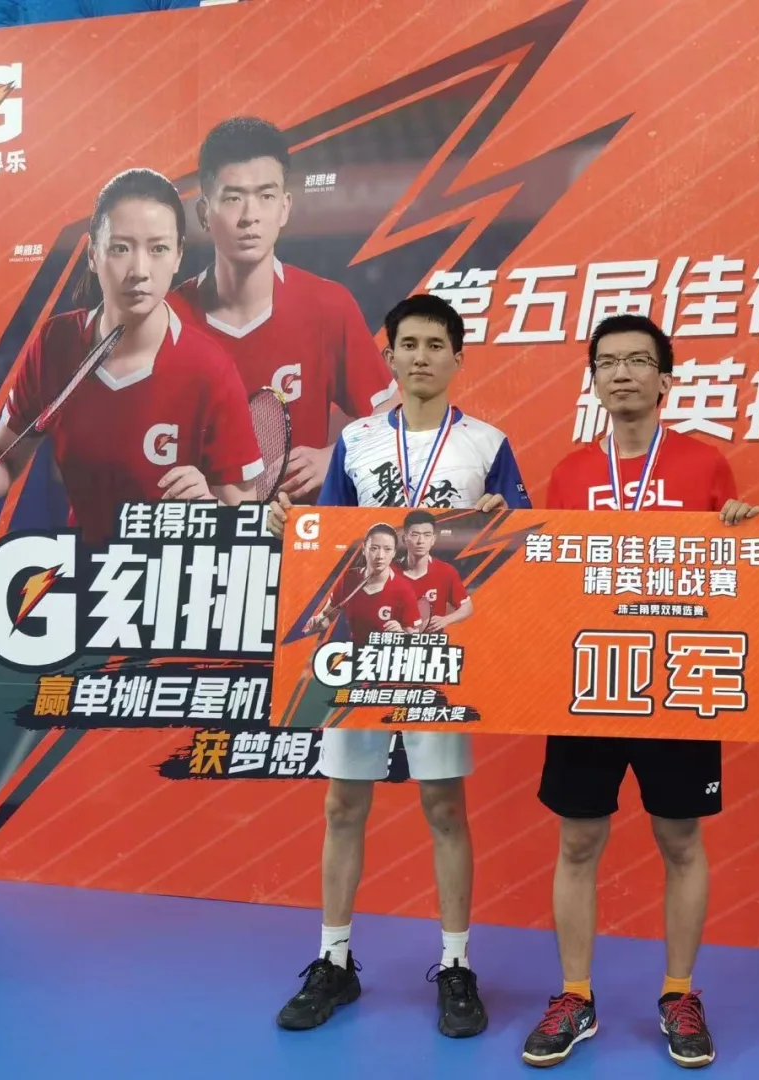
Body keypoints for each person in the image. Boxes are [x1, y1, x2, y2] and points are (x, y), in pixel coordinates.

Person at [266, 292, 531, 1038]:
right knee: (342, 807)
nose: (420, 356)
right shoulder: (355, 442)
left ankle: (456, 965)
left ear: (457, 358)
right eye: (407, 344)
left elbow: (519, 544)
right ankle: (334, 961)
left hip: (439, 657)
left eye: (435, 345)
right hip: (357, 652)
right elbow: (325, 542)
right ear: (388, 357)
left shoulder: (488, 443)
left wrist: (502, 524)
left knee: (444, 808)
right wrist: (292, 526)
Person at [521, 314, 759, 1070]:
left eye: (637, 361)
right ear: (593, 379)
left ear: (665, 378)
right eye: (607, 362)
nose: (621, 373)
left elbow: (731, 579)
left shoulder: (705, 464)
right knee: (577, 840)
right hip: (591, 681)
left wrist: (740, 530)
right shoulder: (570, 473)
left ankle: (679, 994)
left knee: (680, 840)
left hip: (677, 681)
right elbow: (548, 581)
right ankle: (575, 996)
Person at [0, 168, 263, 544]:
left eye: (158, 249)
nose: (139, 271)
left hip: (174, 569)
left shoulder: (210, 369)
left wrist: (208, 507)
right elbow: (4, 455)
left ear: (178, 255)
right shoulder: (55, 343)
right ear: (93, 255)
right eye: (120, 248)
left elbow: (244, 514)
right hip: (85, 565)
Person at [171, 116, 396, 502]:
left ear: (285, 208)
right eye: (233, 198)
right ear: (204, 213)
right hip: (200, 531)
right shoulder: (166, 320)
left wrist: (337, 456)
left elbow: (394, 414)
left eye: (266, 196)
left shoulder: (327, 305)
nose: (250, 216)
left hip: (297, 530)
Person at [304, 522, 422, 640]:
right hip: (354, 649)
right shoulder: (349, 579)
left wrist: (400, 634)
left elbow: (414, 635)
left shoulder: (404, 589)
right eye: (374, 548)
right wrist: (318, 622)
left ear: (394, 552)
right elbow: (327, 616)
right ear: (364, 548)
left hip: (385, 650)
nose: (380, 556)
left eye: (387, 549)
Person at [397, 509, 472, 632]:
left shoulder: (446, 572)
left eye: (427, 535)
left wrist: (445, 620)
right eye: (415, 535)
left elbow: (467, 607)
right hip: (396, 641)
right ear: (405, 538)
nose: (421, 541)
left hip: (432, 642)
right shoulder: (389, 572)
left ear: (433, 539)